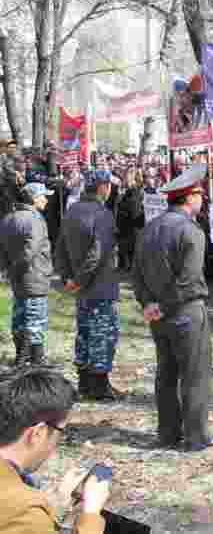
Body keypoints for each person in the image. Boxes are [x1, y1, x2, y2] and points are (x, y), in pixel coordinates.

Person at [131, 163, 213, 452]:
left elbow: (136, 274)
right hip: (185, 311)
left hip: (157, 314)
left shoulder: (149, 228)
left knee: (166, 374)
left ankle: (168, 433)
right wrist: (161, 304)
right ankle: (196, 436)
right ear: (189, 197)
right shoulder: (191, 231)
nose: (202, 200)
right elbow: (189, 280)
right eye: (200, 195)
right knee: (195, 374)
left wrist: (149, 303)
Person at [0, 368, 110, 534]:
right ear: (38, 433)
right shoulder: (24, 513)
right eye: (62, 431)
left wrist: (53, 503)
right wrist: (91, 513)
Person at [53, 170, 121, 402]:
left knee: (84, 333)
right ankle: (99, 386)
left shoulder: (72, 210)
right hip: (99, 285)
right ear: (102, 187)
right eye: (108, 185)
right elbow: (98, 253)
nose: (110, 189)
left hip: (80, 288)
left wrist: (67, 278)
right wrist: (78, 279)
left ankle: (84, 382)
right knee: (102, 333)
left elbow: (60, 247)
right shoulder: (102, 214)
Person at [0, 183, 54, 368]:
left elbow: (3, 250)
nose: (46, 200)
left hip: (16, 278)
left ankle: (22, 356)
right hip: (34, 276)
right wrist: (18, 266)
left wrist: (9, 269)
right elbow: (31, 250)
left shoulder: (8, 218)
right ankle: (33, 361)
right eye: (43, 196)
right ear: (34, 198)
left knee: (20, 318)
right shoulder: (36, 219)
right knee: (35, 319)